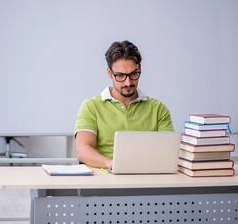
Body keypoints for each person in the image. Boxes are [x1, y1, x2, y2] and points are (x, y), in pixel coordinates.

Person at [74, 40, 174, 169]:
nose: (128, 82)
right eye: (120, 75)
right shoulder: (91, 106)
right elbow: (83, 151)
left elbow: (168, 151)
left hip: (147, 177)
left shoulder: (158, 108)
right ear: (109, 73)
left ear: (140, 69)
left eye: (133, 74)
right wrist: (112, 164)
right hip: (105, 179)